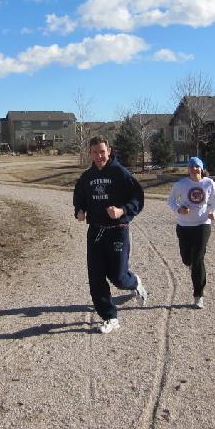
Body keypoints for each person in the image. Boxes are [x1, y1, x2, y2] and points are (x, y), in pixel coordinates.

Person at [73, 136, 147, 334]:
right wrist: (79, 210)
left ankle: (134, 282)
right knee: (95, 277)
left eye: (102, 152)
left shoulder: (120, 173)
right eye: (95, 152)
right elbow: (79, 196)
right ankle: (110, 317)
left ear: (109, 150)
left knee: (118, 277)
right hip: (96, 232)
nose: (99, 156)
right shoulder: (87, 176)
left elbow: (138, 197)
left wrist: (123, 210)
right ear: (90, 153)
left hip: (117, 231)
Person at [167, 156, 215, 309]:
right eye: (191, 167)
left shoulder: (209, 183)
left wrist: (214, 213)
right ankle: (190, 263)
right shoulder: (181, 184)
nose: (194, 169)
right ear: (188, 169)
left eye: (197, 166)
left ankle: (198, 295)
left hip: (202, 225)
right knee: (186, 258)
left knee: (198, 259)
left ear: (201, 168)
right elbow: (170, 200)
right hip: (184, 226)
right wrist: (179, 209)